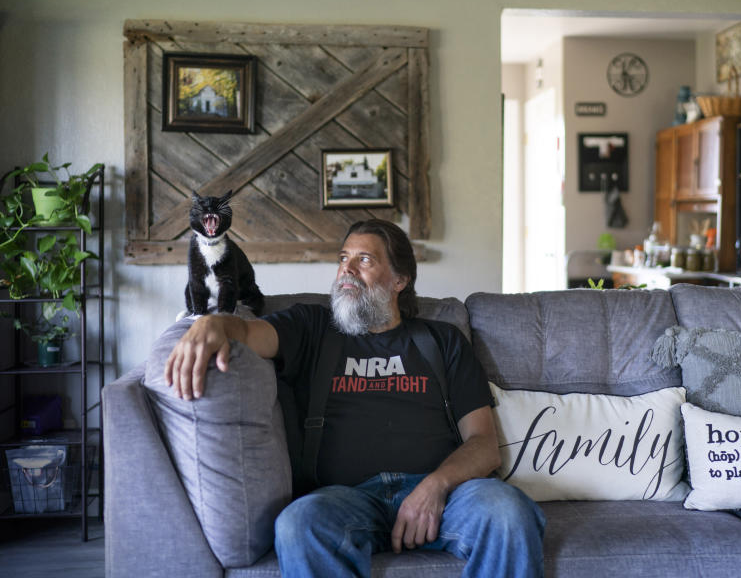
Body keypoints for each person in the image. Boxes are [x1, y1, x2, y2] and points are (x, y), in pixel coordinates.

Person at [164, 219, 545, 578]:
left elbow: (483, 445)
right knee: (299, 524)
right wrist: (211, 323)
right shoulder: (312, 327)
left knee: (507, 510)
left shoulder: (442, 341)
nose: (346, 268)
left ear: (400, 280)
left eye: (364, 259)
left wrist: (434, 486)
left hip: (447, 497)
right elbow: (247, 334)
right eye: (343, 258)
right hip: (345, 499)